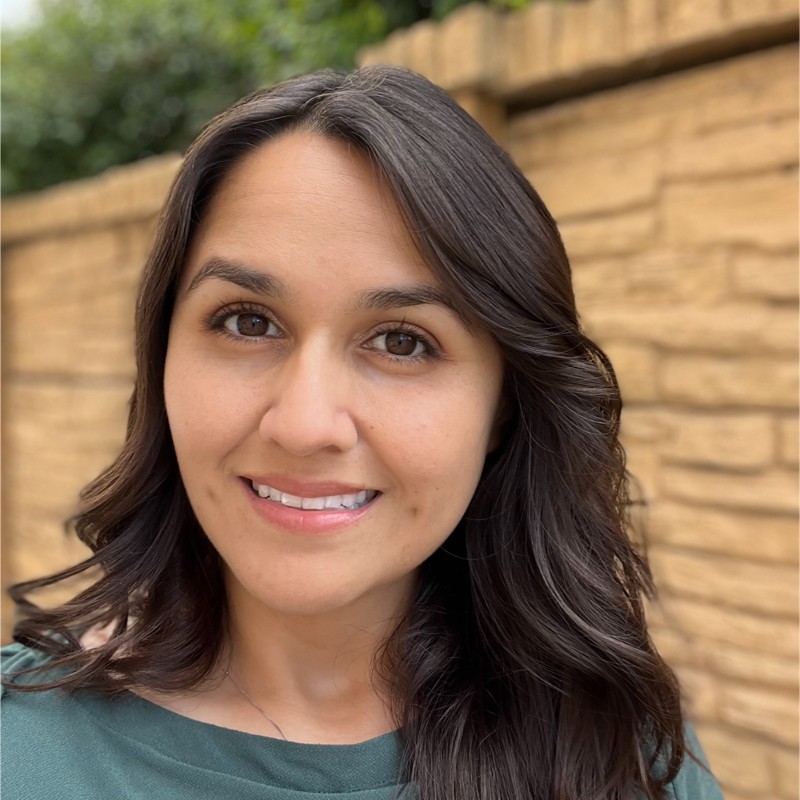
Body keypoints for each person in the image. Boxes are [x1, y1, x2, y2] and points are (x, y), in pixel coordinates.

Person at [1, 65, 724, 800]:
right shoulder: (19, 752)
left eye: (402, 341)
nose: (307, 424)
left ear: (504, 402)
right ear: (161, 359)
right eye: (248, 322)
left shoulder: (627, 756)